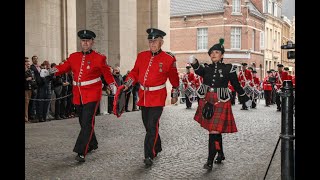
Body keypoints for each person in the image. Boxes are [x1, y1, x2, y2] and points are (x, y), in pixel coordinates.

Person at [49, 29, 118, 162]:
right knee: (83, 121)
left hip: (92, 93)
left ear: (92, 42)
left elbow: (106, 73)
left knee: (86, 122)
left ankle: (81, 151)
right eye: (83, 41)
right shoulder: (74, 56)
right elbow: (63, 67)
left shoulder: (99, 58)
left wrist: (112, 85)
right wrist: (49, 71)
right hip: (78, 94)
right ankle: (93, 143)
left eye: (87, 41)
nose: (85, 43)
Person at [188, 38, 250, 170]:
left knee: (214, 131)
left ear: (222, 55)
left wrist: (244, 97)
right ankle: (220, 153)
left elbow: (236, 84)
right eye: (212, 53)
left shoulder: (229, 68)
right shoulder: (206, 68)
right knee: (215, 130)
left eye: (217, 52)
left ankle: (210, 160)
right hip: (207, 100)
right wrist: (194, 63)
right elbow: (198, 70)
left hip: (221, 101)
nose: (214, 54)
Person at [122, 28, 180, 166]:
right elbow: (135, 73)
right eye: (150, 41)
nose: (152, 44)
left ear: (161, 42)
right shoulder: (142, 56)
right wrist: (127, 84)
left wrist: (174, 94)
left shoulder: (168, 58)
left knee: (152, 125)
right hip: (144, 96)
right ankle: (157, 145)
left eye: (155, 41)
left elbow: (174, 78)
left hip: (158, 97)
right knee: (148, 126)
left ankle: (149, 155)